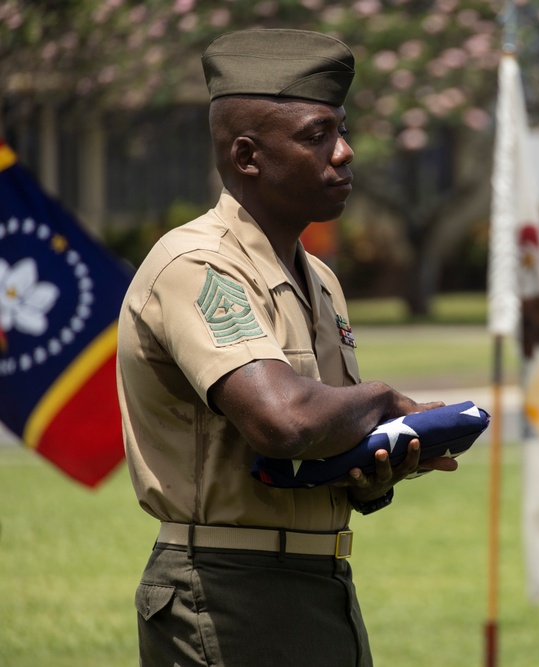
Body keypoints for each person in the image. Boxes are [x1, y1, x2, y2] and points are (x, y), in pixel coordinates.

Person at [116, 29, 456, 667]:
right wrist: (382, 398)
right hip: (223, 587)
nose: (345, 153)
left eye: (342, 129)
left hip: (318, 582)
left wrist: (378, 467)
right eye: (316, 135)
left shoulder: (318, 278)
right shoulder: (198, 265)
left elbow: (322, 445)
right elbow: (284, 421)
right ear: (248, 156)